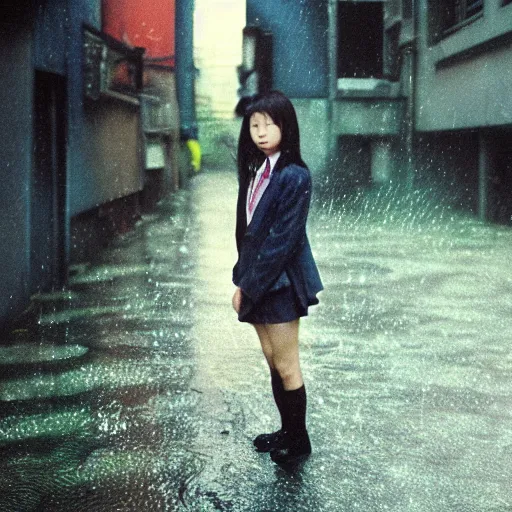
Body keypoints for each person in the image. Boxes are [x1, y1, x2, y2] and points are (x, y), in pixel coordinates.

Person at [231, 90, 323, 465]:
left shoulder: (294, 175)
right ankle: (286, 430)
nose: (261, 131)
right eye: (254, 125)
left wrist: (246, 288)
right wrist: (241, 277)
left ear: (285, 126)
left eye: (269, 124)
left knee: (287, 363)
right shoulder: (256, 171)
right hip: (258, 279)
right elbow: (249, 233)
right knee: (272, 359)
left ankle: (299, 440)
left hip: (281, 281)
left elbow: (281, 242)